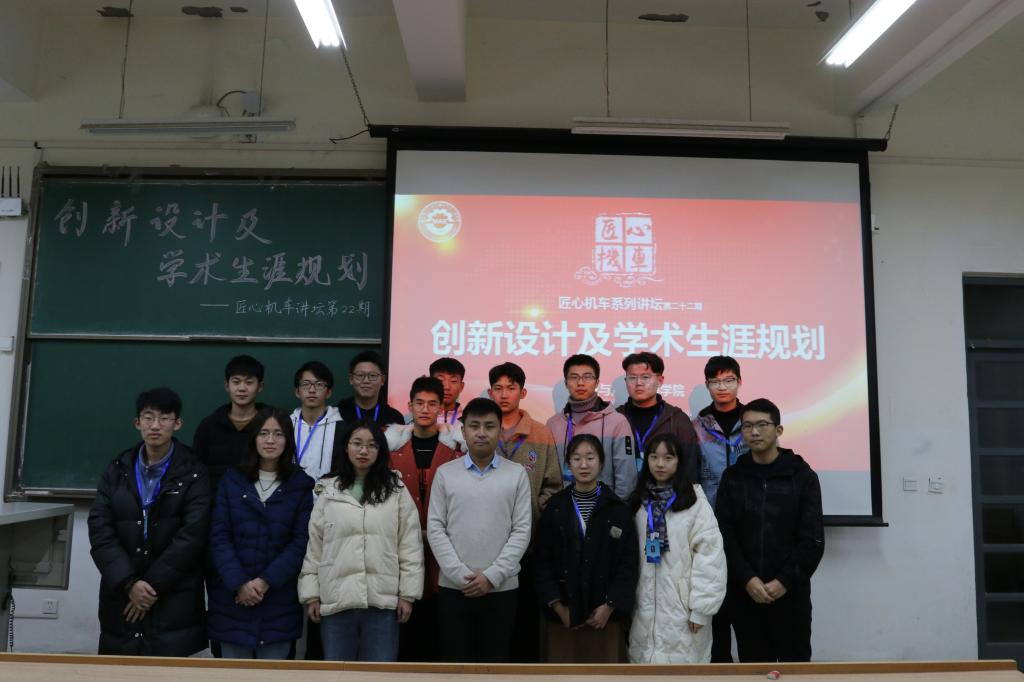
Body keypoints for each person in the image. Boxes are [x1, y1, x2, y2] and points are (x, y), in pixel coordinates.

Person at [87, 388, 210, 656]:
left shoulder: (194, 472)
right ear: (137, 423)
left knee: (167, 671)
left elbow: (193, 536)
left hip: (173, 597)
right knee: (120, 670)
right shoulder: (117, 470)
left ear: (177, 423)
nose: (155, 425)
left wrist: (150, 587)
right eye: (148, 417)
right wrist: (129, 583)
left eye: (164, 418)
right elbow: (100, 530)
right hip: (122, 596)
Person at [299, 421, 424, 662]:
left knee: (378, 675)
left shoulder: (396, 490)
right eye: (357, 443)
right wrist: (311, 595)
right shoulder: (329, 490)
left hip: (382, 603)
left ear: (380, 451)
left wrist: (407, 595)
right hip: (336, 602)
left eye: (371, 445)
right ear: (346, 447)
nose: (364, 450)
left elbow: (410, 546)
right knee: (338, 675)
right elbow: (315, 547)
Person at [715, 399, 824, 663]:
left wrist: (783, 581)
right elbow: (725, 534)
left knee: (795, 668)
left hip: (790, 594)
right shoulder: (733, 477)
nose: (754, 432)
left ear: (779, 430)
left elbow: (812, 539)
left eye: (762, 425)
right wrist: (747, 579)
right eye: (747, 426)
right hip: (745, 593)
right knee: (753, 668)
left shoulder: (803, 477)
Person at [427, 398, 532, 663]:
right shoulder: (445, 474)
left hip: (502, 588)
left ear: (500, 431)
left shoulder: (517, 474)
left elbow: (521, 531)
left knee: (494, 665)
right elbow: (435, 528)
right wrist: (460, 575)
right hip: (454, 588)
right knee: (455, 665)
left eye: (489, 426)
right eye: (474, 426)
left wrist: (492, 577)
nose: (482, 433)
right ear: (463, 432)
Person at [207, 408, 314, 659]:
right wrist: (240, 583)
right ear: (253, 438)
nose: (270, 440)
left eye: (278, 434)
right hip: (233, 600)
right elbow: (219, 536)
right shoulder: (232, 480)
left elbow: (301, 542)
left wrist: (265, 581)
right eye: (264, 433)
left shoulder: (300, 485)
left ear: (288, 440)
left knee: (273, 675)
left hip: (278, 600)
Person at [534, 434, 638, 663]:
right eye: (577, 458)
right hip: (563, 617)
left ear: (601, 463)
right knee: (562, 675)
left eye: (590, 458)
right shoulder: (555, 508)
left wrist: (609, 606)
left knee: (604, 675)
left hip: (605, 618)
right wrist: (559, 608)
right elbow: (542, 563)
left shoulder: (617, 510)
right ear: (568, 464)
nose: (583, 465)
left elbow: (628, 565)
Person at [628, 433, 727, 664]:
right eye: (654, 457)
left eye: (668, 457)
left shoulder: (695, 503)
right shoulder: (637, 503)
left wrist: (701, 609)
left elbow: (710, 558)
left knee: (684, 673)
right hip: (643, 611)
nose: (660, 464)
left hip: (684, 611)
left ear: (680, 461)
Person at [488, 361, 562, 662]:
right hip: (487, 546)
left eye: (511, 388)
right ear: (490, 392)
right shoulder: (479, 431)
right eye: (498, 388)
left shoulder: (540, 434)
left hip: (529, 547)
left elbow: (553, 485)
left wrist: (533, 511)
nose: (504, 394)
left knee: (525, 620)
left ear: (523, 392)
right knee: (492, 621)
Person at [384, 376, 462, 661]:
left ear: (441, 408)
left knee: (441, 632)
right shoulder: (391, 450)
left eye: (432, 404)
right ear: (409, 406)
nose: (425, 409)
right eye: (419, 403)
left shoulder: (456, 451)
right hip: (399, 551)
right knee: (406, 631)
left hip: (446, 552)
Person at [692, 355, 749, 663]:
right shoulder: (696, 427)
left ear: (739, 382)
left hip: (750, 526)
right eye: (715, 382)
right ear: (707, 385)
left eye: (729, 380)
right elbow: (693, 480)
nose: (722, 387)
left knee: (749, 612)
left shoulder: (753, 423)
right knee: (716, 610)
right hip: (709, 527)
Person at [546, 354, 635, 500]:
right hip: (564, 508)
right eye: (574, 377)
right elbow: (549, 475)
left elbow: (626, 476)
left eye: (587, 377)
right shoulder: (553, 424)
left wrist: (616, 508)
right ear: (566, 383)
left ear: (597, 382)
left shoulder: (617, 422)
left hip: (606, 507)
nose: (580, 383)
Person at [617, 352, 701, 483]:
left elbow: (690, 467)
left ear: (660, 381)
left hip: (669, 494)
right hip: (622, 494)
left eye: (645, 377)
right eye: (632, 377)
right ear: (626, 381)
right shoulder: (615, 418)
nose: (638, 383)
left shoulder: (677, 419)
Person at [192, 354, 268, 496]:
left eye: (249, 382)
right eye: (236, 382)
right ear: (227, 385)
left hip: (261, 502)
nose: (242, 388)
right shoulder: (208, 426)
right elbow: (196, 473)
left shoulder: (272, 424)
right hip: (216, 503)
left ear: (260, 386)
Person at [290, 360, 345, 484]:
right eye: (306, 384)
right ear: (297, 391)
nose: (312, 390)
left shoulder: (341, 426)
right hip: (291, 493)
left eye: (319, 384)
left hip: (330, 493)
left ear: (328, 392)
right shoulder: (286, 424)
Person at [336, 350, 404, 427]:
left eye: (372, 375)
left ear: (382, 380)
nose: (366, 381)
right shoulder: (337, 416)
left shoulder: (395, 418)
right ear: (351, 379)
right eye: (360, 375)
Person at [430, 357, 467, 427]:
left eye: (453, 381)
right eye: (440, 380)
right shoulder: (421, 417)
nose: (446, 387)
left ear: (461, 387)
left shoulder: (468, 418)